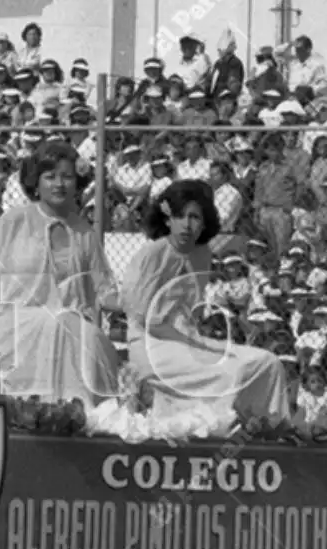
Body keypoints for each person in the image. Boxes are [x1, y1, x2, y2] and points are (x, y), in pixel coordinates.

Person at [125, 179, 292, 424]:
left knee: (268, 363)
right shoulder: (153, 254)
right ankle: (222, 434)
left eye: (195, 217)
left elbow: (191, 312)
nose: (187, 225)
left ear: (205, 223)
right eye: (180, 216)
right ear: (167, 218)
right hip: (152, 345)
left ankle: (270, 435)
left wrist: (202, 344)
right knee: (229, 371)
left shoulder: (202, 254)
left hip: (189, 341)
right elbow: (143, 318)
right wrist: (202, 346)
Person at [0, 139, 120, 403]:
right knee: (59, 325)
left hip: (74, 327)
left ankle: (78, 413)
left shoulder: (85, 232)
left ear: (77, 183)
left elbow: (104, 291)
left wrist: (137, 302)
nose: (59, 184)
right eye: (50, 177)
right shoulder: (12, 221)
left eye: (67, 177)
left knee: (75, 330)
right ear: (36, 183)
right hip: (15, 324)